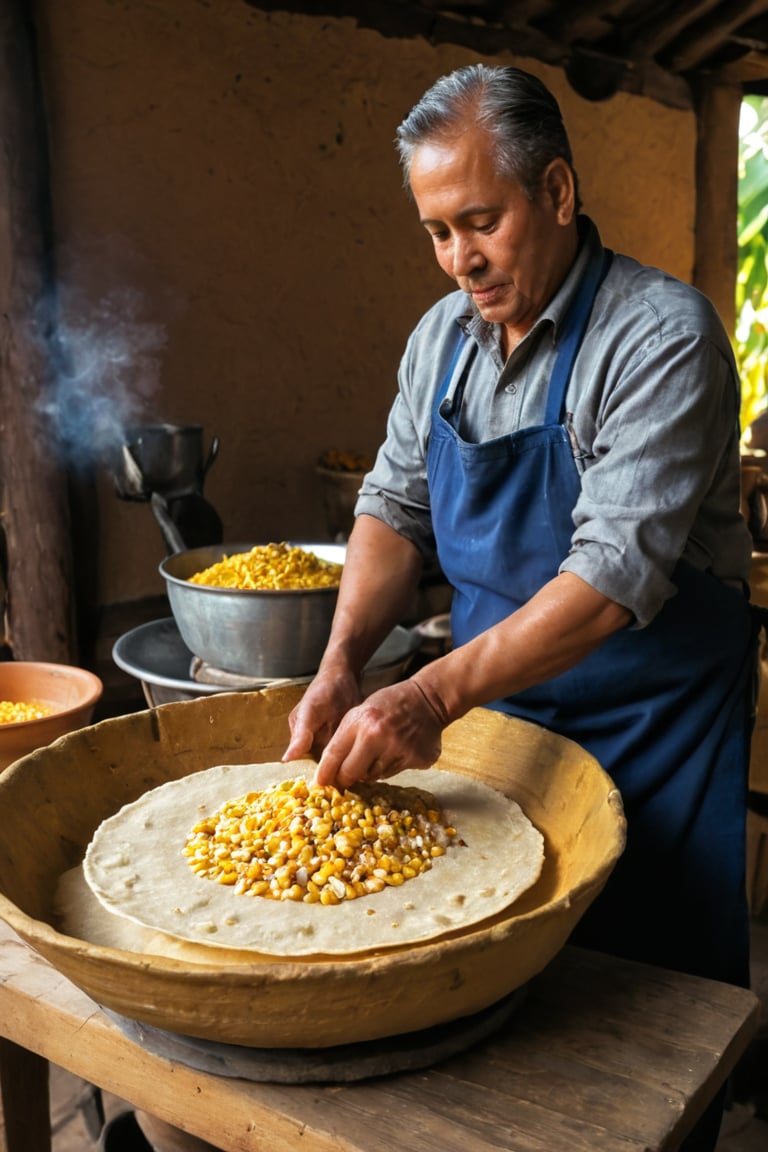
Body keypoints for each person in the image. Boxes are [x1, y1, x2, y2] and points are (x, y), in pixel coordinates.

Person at [284, 63, 758, 1149]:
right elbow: (393, 510)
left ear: (555, 191)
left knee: (643, 1021)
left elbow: (608, 583)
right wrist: (343, 660)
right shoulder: (440, 343)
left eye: (481, 222)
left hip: (655, 716)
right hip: (504, 712)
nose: (462, 260)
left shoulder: (659, 338)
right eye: (437, 232)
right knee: (495, 1010)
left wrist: (432, 691)